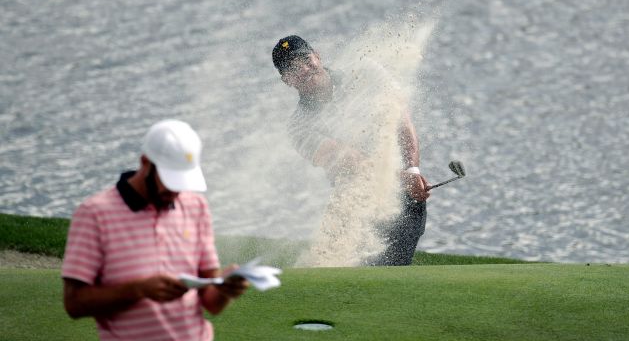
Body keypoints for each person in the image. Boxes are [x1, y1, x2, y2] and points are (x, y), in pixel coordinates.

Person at [61, 119, 249, 341]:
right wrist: (139, 289)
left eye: (182, 181)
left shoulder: (196, 206)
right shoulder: (94, 213)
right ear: (145, 163)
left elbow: (210, 302)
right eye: (170, 181)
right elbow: (74, 303)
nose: (176, 191)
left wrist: (224, 288)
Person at [272, 35, 430, 266]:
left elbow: (402, 122)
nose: (305, 69)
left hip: (406, 193)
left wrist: (412, 171)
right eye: (294, 69)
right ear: (287, 80)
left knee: (393, 271)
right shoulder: (298, 126)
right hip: (355, 205)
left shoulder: (365, 73)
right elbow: (347, 159)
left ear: (317, 55)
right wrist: (401, 178)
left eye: (306, 60)